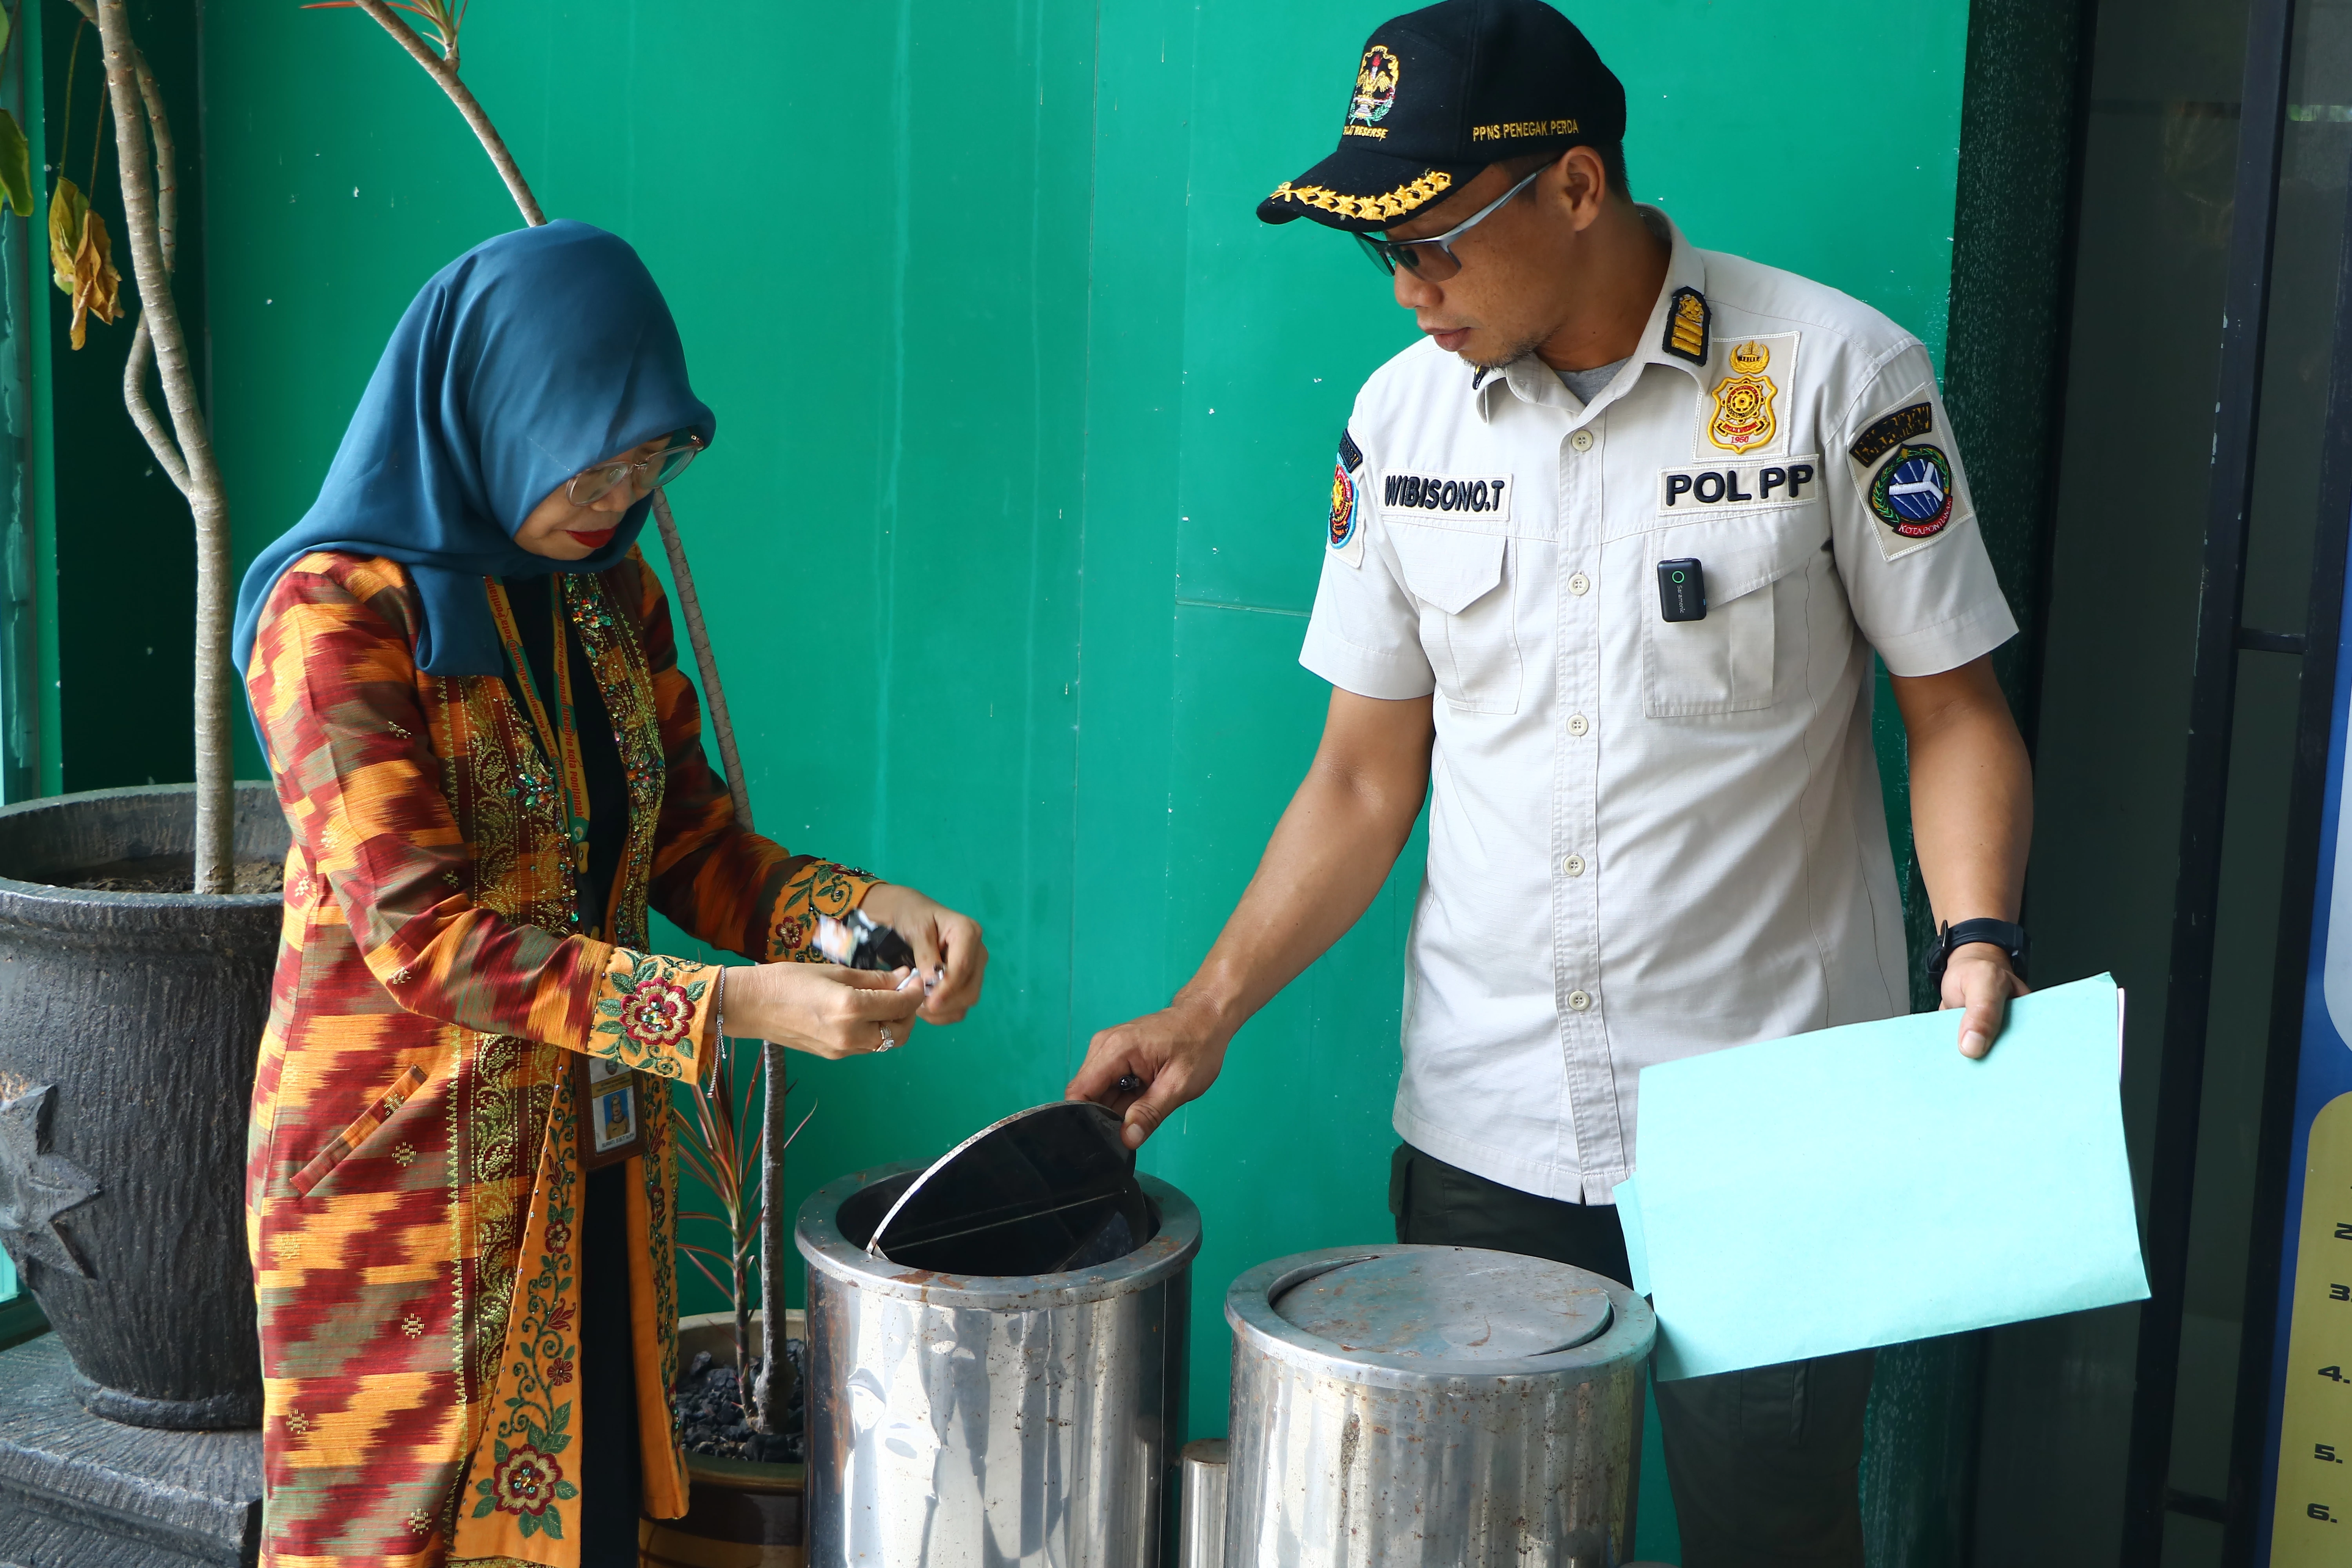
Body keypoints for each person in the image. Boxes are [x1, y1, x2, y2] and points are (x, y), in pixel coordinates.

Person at [1066, 2, 2029, 1562]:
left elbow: (1959, 710)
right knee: (1469, 1539)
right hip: (1489, 1122)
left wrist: (1975, 936)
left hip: (1775, 1110)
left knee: (1772, 1534)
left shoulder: (1836, 376)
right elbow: (1365, 782)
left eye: (1436, 243)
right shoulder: (1399, 420)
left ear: (1576, 189)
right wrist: (1207, 1006)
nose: (1408, 291)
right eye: (1379, 254)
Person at [235, 221, 988, 1568]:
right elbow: (427, 944)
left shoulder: (599, 594)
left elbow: (688, 841)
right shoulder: (334, 617)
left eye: (653, 459)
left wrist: (858, 910)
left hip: (584, 1161)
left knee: (579, 1513)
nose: (620, 492)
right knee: (402, 1535)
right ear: (501, 408)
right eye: (595, 453)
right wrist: (731, 1007)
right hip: (402, 1194)